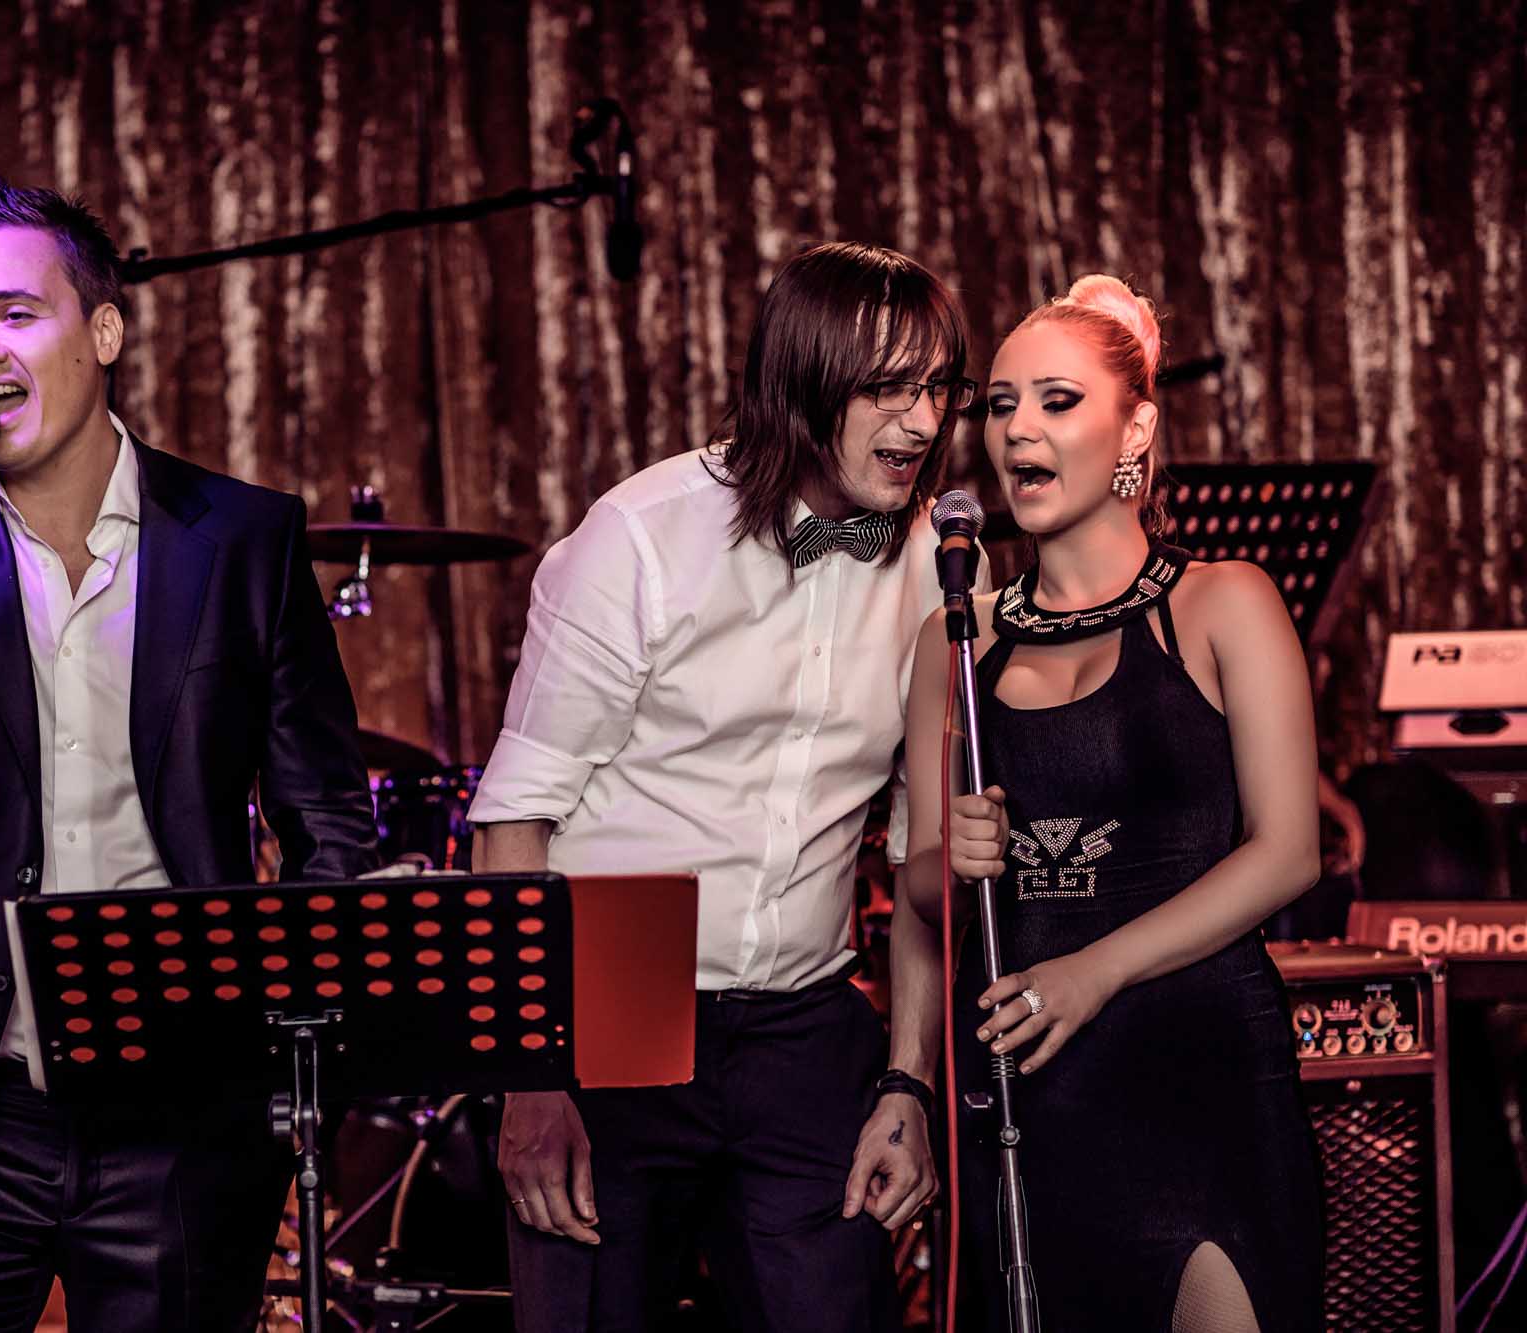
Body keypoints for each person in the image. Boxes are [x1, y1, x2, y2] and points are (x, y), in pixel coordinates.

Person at [0, 177, 378, 1331]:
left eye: (15, 312)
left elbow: (328, 821)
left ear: (101, 332)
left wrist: (287, 1051)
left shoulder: (241, 538)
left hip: (181, 1097)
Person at [468, 241, 982, 1332]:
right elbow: (514, 820)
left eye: (939, 387)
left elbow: (919, 857)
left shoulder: (939, 561)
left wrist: (907, 1081)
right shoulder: (640, 538)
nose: (923, 422)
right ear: (799, 381)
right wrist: (530, 1077)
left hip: (806, 1017)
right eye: (888, 389)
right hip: (610, 1002)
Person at [904, 275, 1323, 1331]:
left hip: (1197, 1075)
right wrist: (950, 858)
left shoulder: (1222, 602)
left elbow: (1286, 852)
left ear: (1135, 427)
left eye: (1056, 401)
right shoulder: (956, 637)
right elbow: (922, 891)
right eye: (999, 405)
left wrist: (1093, 971)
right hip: (1033, 1099)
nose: (1017, 430)